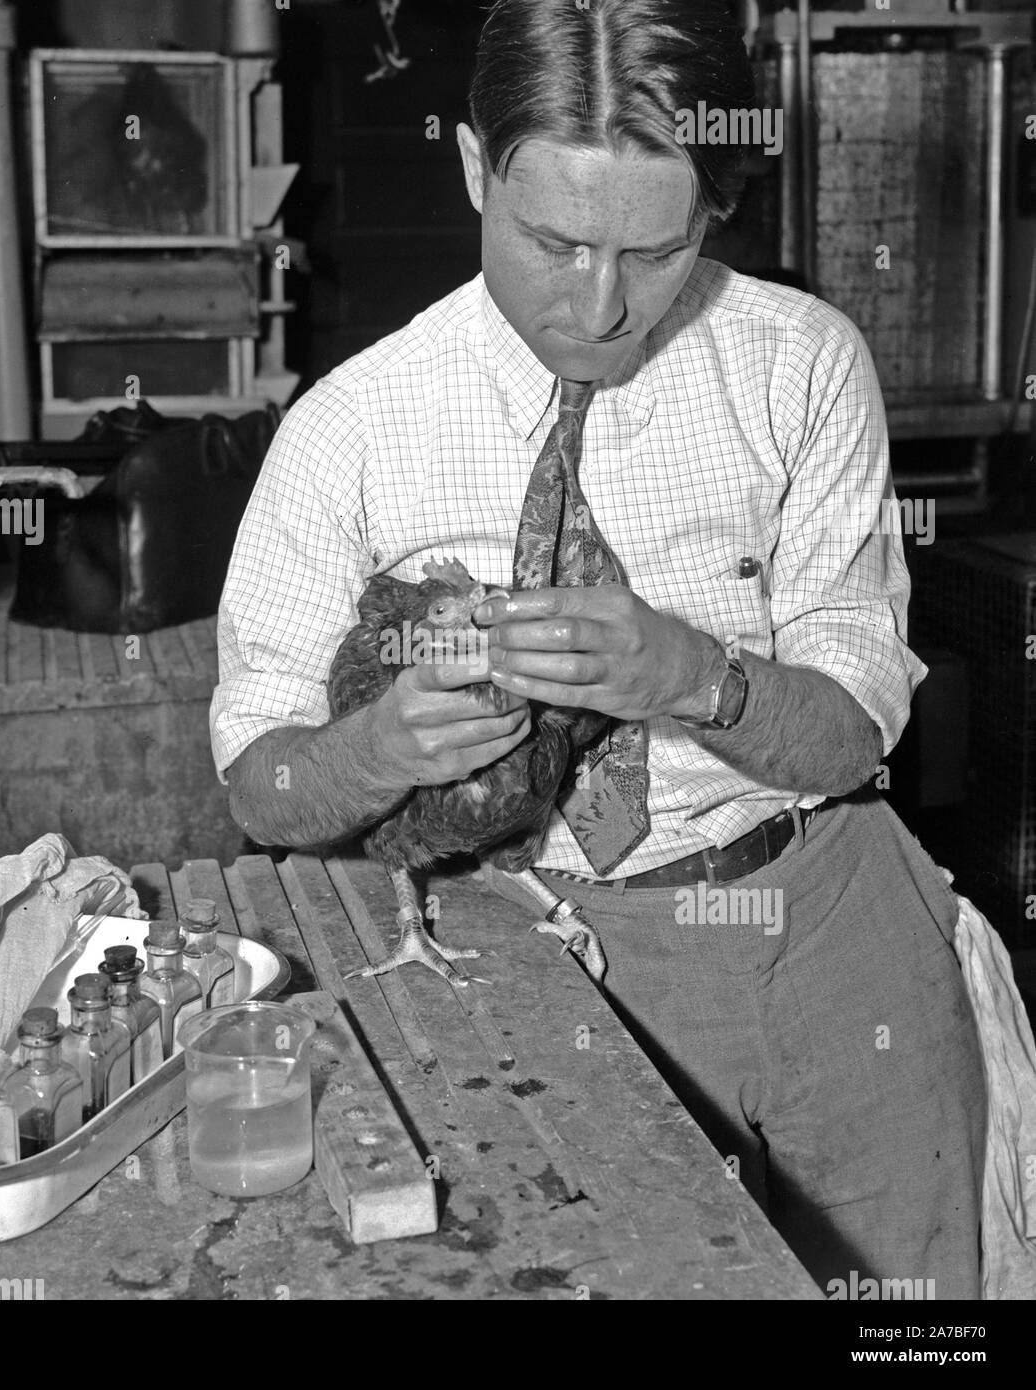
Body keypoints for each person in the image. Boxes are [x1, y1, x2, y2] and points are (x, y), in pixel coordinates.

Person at [210, 0, 985, 1296]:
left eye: (654, 249)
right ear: (472, 167)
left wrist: (695, 676)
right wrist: (377, 745)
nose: (601, 304)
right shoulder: (349, 429)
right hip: (526, 936)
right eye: (553, 240)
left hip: (822, 914)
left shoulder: (800, 365)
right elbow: (257, 781)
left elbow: (857, 721)